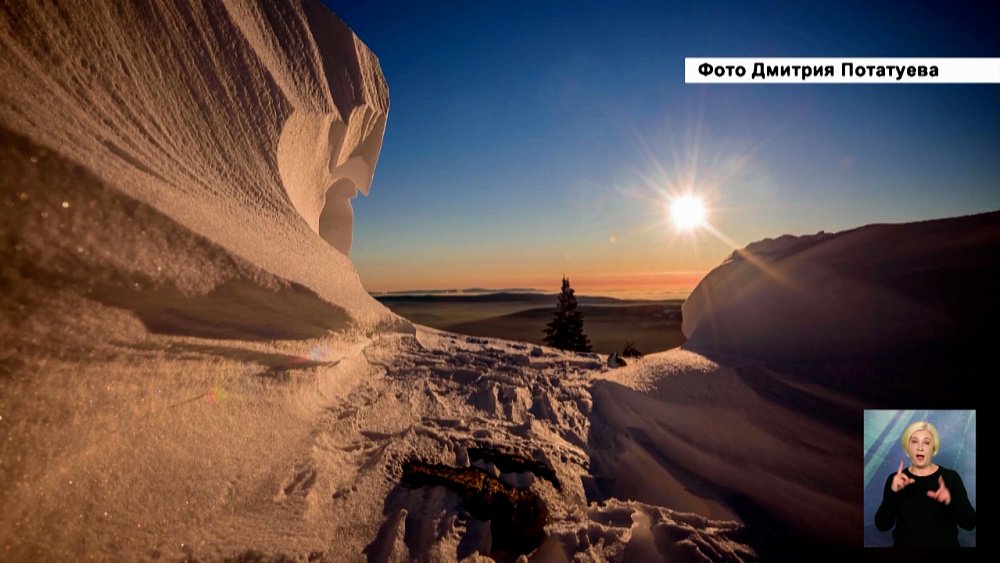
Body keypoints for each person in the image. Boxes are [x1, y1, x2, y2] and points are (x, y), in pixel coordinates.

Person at [874, 421, 976, 546]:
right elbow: (882, 526)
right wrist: (893, 493)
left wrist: (950, 501)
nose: (920, 447)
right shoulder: (895, 480)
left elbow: (970, 524)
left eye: (926, 442)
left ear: (933, 448)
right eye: (914, 441)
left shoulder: (951, 478)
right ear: (908, 447)